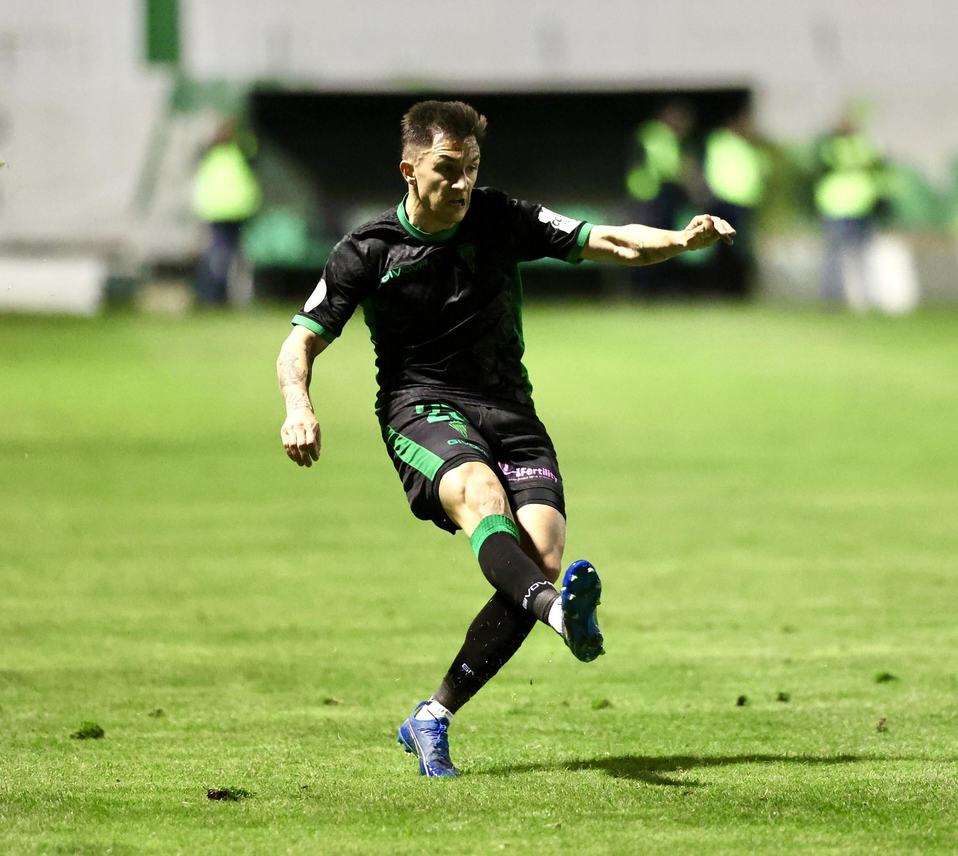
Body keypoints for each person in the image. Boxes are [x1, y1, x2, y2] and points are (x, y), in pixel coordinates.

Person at [275, 100, 736, 777]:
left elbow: (608, 240)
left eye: (472, 170)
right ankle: (559, 619)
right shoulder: (367, 250)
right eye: (447, 170)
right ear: (410, 169)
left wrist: (682, 242)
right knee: (480, 495)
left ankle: (432, 716)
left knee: (542, 557)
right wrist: (297, 405)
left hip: (509, 409)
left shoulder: (500, 217)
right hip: (421, 410)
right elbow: (300, 341)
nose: (462, 184)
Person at [813, 115, 886, 309]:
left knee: (861, 257)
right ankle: (833, 299)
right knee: (836, 257)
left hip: (859, 206)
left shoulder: (862, 146)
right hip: (836, 208)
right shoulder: (829, 147)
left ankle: (865, 299)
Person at [625, 100, 695, 296]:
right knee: (649, 242)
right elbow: (669, 167)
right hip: (648, 195)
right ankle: (644, 289)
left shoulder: (656, 134)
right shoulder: (658, 134)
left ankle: (649, 289)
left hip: (651, 195)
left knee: (654, 243)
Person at [191, 119, 262, 305]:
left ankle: (221, 297)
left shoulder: (215, 154)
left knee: (225, 255)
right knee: (223, 256)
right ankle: (214, 296)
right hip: (229, 211)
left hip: (226, 211)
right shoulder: (233, 153)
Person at [701, 108, 769, 296]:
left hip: (745, 205)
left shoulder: (750, 147)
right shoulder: (721, 141)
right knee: (723, 249)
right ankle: (721, 289)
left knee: (741, 249)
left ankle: (738, 290)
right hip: (725, 203)